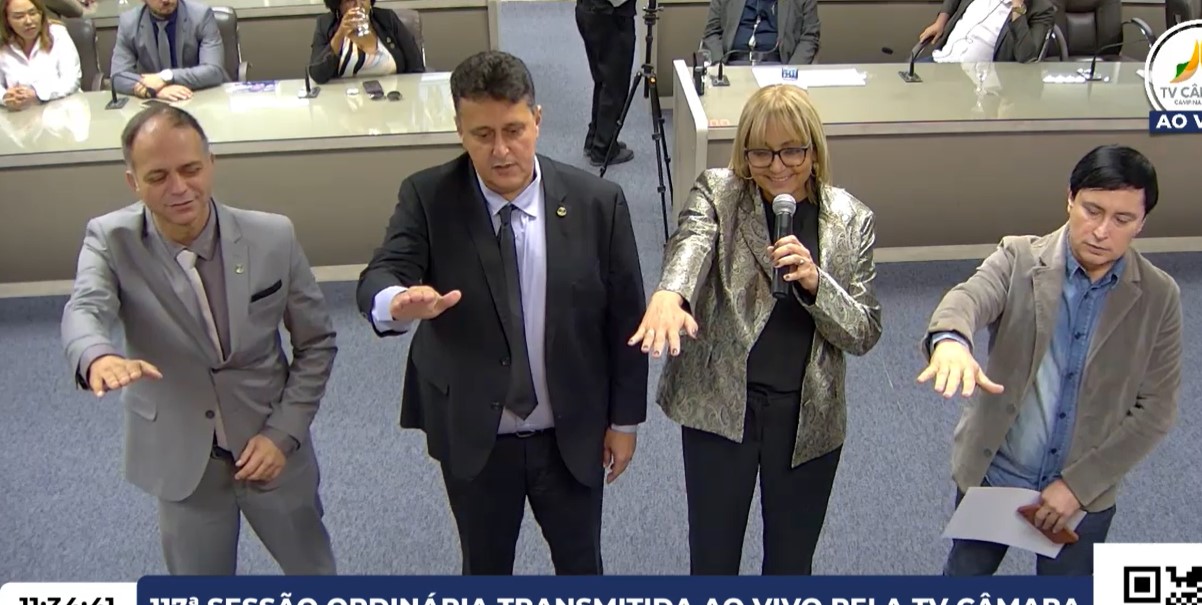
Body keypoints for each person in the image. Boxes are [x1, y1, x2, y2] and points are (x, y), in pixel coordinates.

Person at [356, 50, 648, 575]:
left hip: (571, 432)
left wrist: (624, 422)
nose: (500, 151)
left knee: (582, 566)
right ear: (459, 130)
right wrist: (395, 301)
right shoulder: (428, 197)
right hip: (476, 433)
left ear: (538, 120)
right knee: (485, 568)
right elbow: (383, 272)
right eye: (482, 134)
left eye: (514, 130)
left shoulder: (598, 202)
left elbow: (626, 321)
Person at [61, 104, 338, 576]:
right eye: (158, 176)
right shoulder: (110, 239)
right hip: (182, 460)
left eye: (190, 169)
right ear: (133, 182)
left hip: (273, 444)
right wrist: (97, 355)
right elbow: (85, 307)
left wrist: (283, 434)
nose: (178, 188)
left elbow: (317, 344)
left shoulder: (273, 236)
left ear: (211, 163)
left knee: (315, 578)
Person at [631, 84, 881, 575]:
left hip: (806, 416)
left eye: (792, 150)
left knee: (790, 564)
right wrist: (670, 293)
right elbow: (691, 241)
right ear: (744, 151)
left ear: (814, 150)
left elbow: (865, 331)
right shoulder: (719, 193)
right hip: (722, 407)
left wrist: (817, 284)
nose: (777, 165)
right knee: (713, 558)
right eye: (761, 151)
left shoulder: (852, 220)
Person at [917, 144, 1181, 576]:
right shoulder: (1018, 257)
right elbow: (969, 298)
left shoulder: (1159, 295)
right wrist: (951, 340)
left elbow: (1156, 409)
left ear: (1142, 222)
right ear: (1070, 199)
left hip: (1083, 491)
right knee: (964, 577)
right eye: (1092, 211)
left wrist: (1076, 487)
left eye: (1122, 220)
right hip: (996, 474)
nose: (1102, 231)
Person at [110, 0, 226, 101]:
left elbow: (213, 71)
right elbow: (118, 76)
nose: (165, 0)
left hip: (200, 96)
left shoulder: (201, 16)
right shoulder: (129, 23)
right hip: (157, 105)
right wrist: (155, 91)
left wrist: (166, 78)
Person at [574, 0, 634, 167]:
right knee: (615, 84)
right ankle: (603, 148)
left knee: (603, 80)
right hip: (609, 16)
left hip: (589, 11)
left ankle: (596, 138)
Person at [307, 0, 424, 84]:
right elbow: (317, 75)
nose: (358, 4)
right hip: (344, 103)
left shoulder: (388, 19)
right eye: (349, 0)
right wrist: (340, 34)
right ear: (338, 4)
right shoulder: (325, 24)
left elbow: (416, 66)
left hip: (391, 98)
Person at [0, 0, 80, 111]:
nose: (28, 21)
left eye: (33, 13)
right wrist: (6, 97)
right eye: (19, 17)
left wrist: (38, 94)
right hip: (18, 115)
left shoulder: (57, 33)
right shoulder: (2, 43)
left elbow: (71, 81)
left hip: (61, 111)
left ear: (41, 14)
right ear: (7, 20)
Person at [916, 0, 1054, 63]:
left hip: (979, 84)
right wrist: (940, 22)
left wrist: (1017, 8)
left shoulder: (1041, 9)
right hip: (940, 61)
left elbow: (1028, 58)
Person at [702, 0, 819, 65]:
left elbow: (809, 37)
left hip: (779, 66)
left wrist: (792, 73)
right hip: (731, 65)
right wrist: (719, 66)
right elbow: (712, 32)